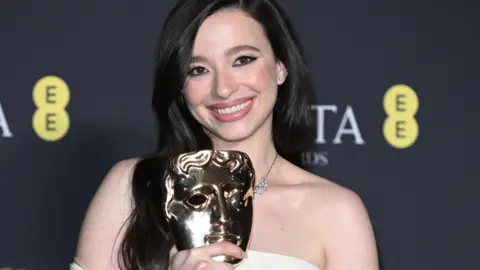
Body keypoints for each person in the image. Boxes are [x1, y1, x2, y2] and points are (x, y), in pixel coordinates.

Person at [72, 0, 379, 269]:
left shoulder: (337, 212)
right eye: (198, 70)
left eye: (243, 60)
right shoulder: (134, 188)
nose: (223, 88)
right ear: (179, 86)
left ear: (281, 66)